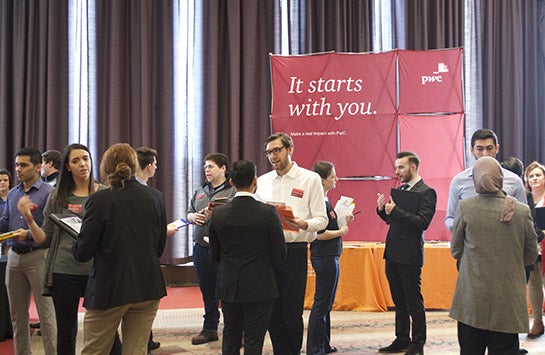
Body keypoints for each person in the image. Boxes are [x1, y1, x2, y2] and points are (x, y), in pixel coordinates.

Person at [17, 143, 122, 355]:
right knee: (66, 332)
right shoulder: (57, 197)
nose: (83, 164)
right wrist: (29, 220)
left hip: (98, 271)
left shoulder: (106, 194)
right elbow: (44, 239)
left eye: (85, 158)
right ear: (67, 167)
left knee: (109, 332)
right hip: (64, 271)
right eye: (76, 160)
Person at [72, 143, 167, 355]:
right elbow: (159, 247)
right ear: (135, 166)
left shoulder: (98, 200)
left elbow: (83, 252)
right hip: (147, 285)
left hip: (109, 288)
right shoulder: (155, 197)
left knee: (94, 351)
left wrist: (75, 240)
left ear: (106, 167)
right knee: (137, 351)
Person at [449, 156, 538, 354]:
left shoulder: (466, 207)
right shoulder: (521, 211)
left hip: (472, 297)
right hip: (507, 297)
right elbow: (531, 254)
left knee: (471, 349)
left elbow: (455, 249)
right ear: (499, 177)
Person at [255, 132, 328, 355]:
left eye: (277, 150)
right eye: (268, 152)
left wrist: (303, 223)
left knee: (292, 313)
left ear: (290, 149)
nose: (272, 156)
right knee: (271, 312)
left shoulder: (310, 178)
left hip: (295, 251)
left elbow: (322, 220)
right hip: (267, 253)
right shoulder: (264, 181)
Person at [208, 159, 287, 354]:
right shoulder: (268, 213)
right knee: (254, 340)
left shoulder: (218, 214)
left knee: (231, 337)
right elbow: (280, 254)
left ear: (232, 183)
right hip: (260, 285)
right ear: (255, 181)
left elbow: (214, 255)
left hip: (229, 284)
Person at [376, 151, 437, 355]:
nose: (397, 171)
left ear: (413, 167)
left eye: (401, 167)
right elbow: (394, 221)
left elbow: (422, 223)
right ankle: (402, 338)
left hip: (410, 255)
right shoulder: (401, 189)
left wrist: (396, 212)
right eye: (396, 167)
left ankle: (418, 344)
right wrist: (382, 211)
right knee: (398, 300)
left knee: (413, 301)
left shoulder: (427, 191)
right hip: (392, 252)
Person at [0, 147, 56, 354]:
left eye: (23, 165)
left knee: (46, 315)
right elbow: (5, 223)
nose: (18, 170)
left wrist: (29, 234)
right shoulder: (13, 193)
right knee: (17, 316)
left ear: (38, 167)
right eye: (16, 165)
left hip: (38, 256)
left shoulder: (49, 193)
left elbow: (52, 230)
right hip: (13, 257)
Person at [187, 153, 236, 345]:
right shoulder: (200, 190)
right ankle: (210, 329)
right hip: (201, 248)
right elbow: (189, 212)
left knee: (229, 292)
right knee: (208, 290)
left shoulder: (232, 191)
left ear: (223, 168)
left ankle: (234, 330)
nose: (206, 170)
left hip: (224, 250)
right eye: (205, 167)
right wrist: (192, 217)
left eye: (210, 167)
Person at [307, 161, 354, 355]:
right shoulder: (318, 202)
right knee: (321, 303)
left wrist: (343, 221)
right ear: (322, 179)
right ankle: (314, 348)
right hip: (324, 256)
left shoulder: (325, 200)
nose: (336, 179)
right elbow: (319, 234)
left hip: (331, 255)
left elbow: (330, 227)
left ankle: (324, 344)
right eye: (332, 176)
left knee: (327, 303)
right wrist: (341, 231)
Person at [445, 129, 527, 231]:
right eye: (480, 149)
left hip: (504, 241)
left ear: (497, 148)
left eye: (489, 148)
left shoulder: (514, 181)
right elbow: (450, 218)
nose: (485, 153)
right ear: (472, 150)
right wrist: (465, 228)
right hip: (471, 243)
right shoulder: (459, 181)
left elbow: (524, 217)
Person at [524, 161, 545, 337]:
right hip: (532, 247)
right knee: (534, 285)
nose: (534, 178)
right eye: (531, 176)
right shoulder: (525, 199)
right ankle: (537, 321)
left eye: (538, 175)